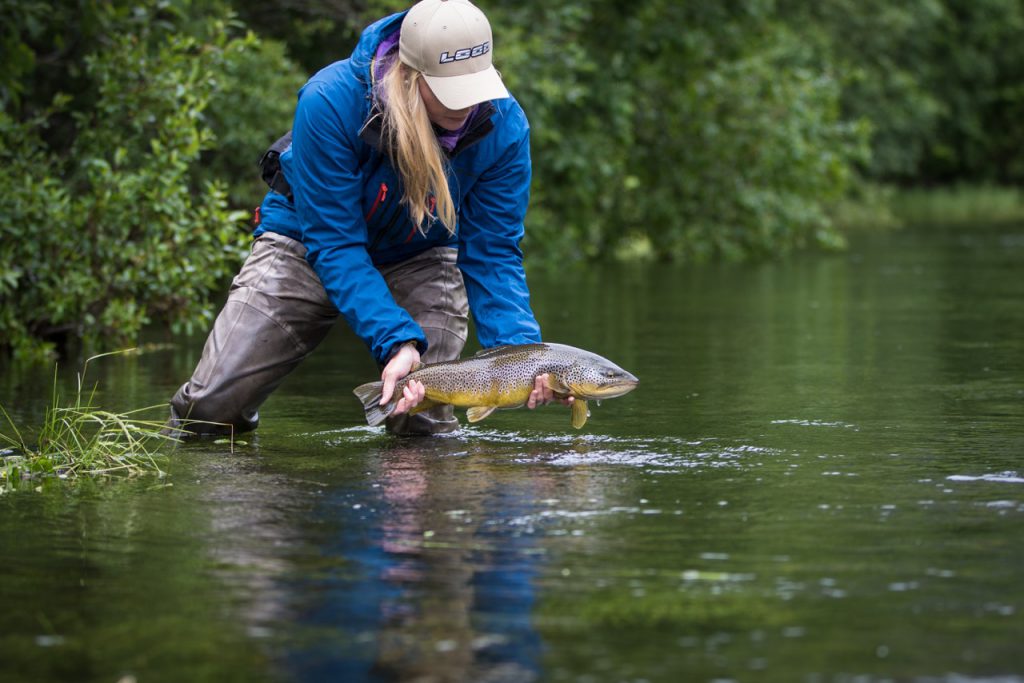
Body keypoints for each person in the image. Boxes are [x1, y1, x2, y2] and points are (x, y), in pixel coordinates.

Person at [167, 0, 569, 437]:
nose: (468, 106)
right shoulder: (330, 101)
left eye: (475, 88)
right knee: (210, 409)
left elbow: (492, 253)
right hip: (306, 242)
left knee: (423, 420)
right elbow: (335, 245)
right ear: (408, 76)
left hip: (422, 251)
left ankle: (412, 497)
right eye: (451, 91)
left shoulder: (505, 126)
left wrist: (523, 357)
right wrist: (397, 340)